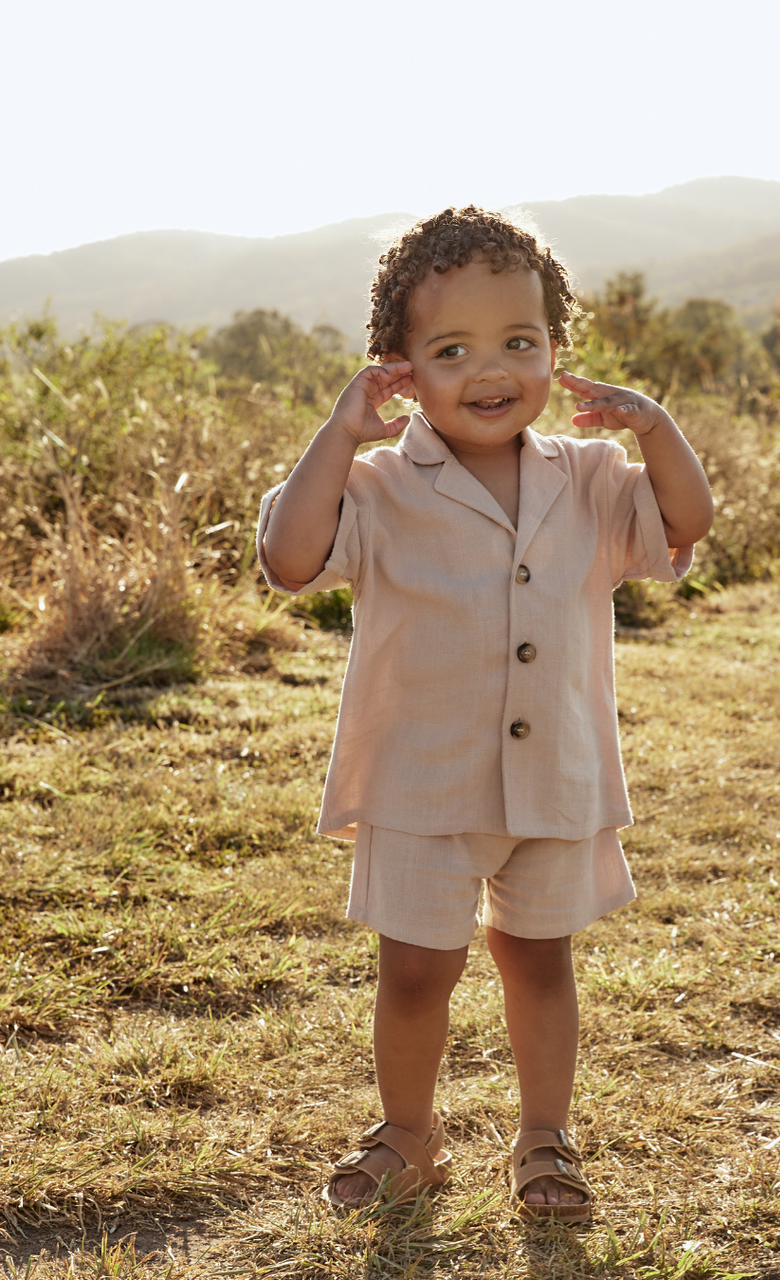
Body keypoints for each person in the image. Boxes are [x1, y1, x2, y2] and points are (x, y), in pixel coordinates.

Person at [258, 207, 713, 1221]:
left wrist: (655, 425)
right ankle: (407, 1136)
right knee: (416, 971)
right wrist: (338, 432)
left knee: (537, 958)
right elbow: (288, 558)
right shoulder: (375, 487)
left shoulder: (592, 477)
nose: (491, 367)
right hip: (420, 780)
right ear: (399, 370)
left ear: (556, 349)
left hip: (553, 773)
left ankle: (545, 1136)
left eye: (520, 341)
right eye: (451, 349)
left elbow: (683, 521)